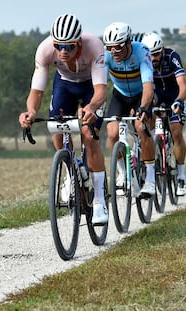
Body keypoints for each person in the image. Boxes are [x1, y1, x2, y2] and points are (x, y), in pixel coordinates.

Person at [18, 14, 109, 225]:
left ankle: (98, 201)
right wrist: (30, 111)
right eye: (58, 46)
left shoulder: (95, 46)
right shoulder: (45, 50)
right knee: (56, 129)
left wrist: (91, 107)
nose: (63, 51)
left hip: (91, 88)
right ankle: (71, 171)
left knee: (88, 134)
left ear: (79, 42)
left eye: (68, 46)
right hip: (65, 85)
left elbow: (101, 91)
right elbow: (37, 91)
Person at [102, 22, 156, 197]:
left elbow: (148, 85)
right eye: (110, 47)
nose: (114, 51)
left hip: (141, 95)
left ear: (128, 43)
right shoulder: (107, 55)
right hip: (120, 95)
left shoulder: (142, 51)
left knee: (141, 127)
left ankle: (150, 179)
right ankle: (122, 172)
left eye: (117, 47)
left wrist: (143, 108)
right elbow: (100, 85)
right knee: (111, 132)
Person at [141, 32, 186, 196]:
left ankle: (181, 176)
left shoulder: (172, 56)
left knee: (176, 132)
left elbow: (182, 84)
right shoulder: (144, 60)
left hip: (175, 97)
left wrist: (180, 100)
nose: (152, 58)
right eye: (149, 54)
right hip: (157, 97)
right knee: (147, 121)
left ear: (161, 51)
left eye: (155, 54)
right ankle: (152, 154)